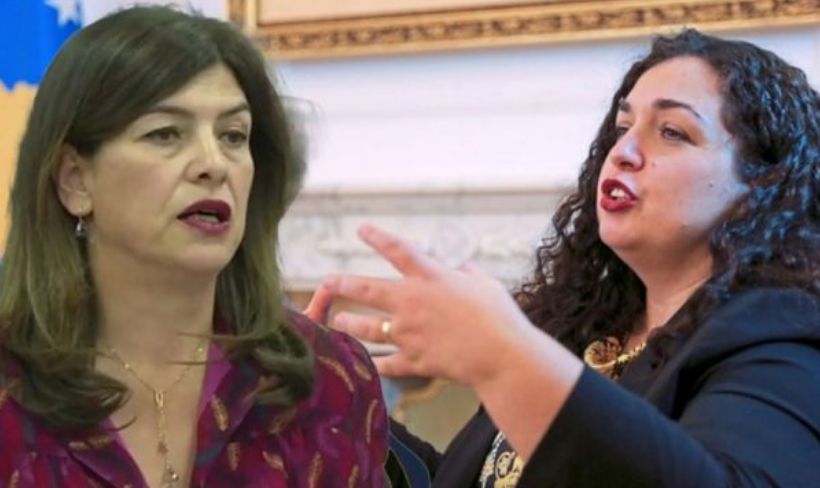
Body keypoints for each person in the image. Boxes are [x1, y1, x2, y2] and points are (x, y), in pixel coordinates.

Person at [309, 29, 820, 487]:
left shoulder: (784, 344)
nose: (623, 151)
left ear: (761, 187)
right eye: (623, 126)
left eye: (672, 132)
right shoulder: (583, 333)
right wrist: (334, 405)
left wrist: (506, 358)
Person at [0, 6, 389, 487]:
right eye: (165, 134)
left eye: (233, 136)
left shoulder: (329, 378)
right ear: (75, 180)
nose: (214, 163)